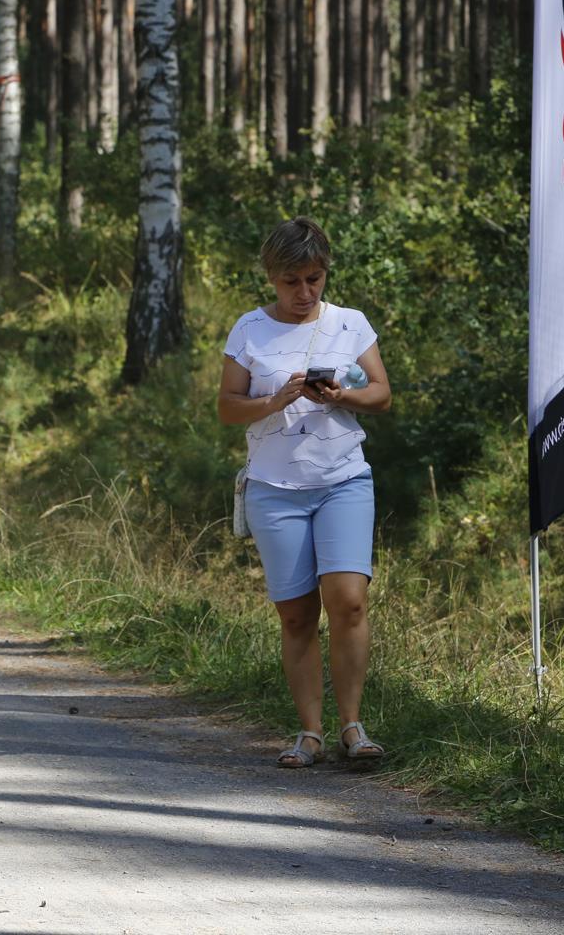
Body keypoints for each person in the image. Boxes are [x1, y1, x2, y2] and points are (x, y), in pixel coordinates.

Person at [216, 216, 393, 769]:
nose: (304, 292)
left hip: (343, 480)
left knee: (349, 600)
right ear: (272, 277)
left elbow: (382, 394)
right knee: (296, 616)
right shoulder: (249, 329)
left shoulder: (350, 324)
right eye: (291, 281)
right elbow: (227, 408)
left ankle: (353, 727)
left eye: (314, 279)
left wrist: (341, 397)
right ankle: (310, 732)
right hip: (274, 489)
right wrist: (275, 401)